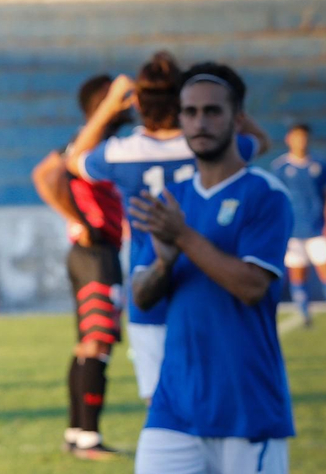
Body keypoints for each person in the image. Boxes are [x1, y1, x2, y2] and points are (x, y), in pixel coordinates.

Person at [106, 63, 298, 474]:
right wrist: (163, 257)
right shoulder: (166, 203)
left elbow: (250, 285)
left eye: (213, 111)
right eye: (189, 112)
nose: (198, 123)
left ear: (238, 119)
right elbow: (143, 295)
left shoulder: (267, 195)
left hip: (247, 400)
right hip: (177, 399)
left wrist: (182, 238)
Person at [66, 52, 269, 403]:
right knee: (219, 400)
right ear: (182, 102)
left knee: (162, 407)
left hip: (150, 285)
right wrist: (225, 107)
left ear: (139, 104)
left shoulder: (121, 152)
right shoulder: (208, 147)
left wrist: (111, 104)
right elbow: (261, 142)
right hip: (211, 281)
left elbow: (74, 159)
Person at [32, 74, 131, 459]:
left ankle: (77, 433)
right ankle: (88, 438)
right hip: (96, 254)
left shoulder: (89, 141)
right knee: (97, 344)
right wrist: (79, 220)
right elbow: (45, 176)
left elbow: (42, 174)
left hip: (92, 252)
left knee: (88, 345)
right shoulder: (91, 141)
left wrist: (72, 217)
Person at [272, 123, 326, 326]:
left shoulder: (319, 164)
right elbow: (277, 201)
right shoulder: (280, 167)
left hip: (317, 229)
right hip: (293, 231)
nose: (302, 141)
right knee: (298, 275)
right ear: (289, 139)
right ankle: (305, 315)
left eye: (304, 137)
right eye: (297, 137)